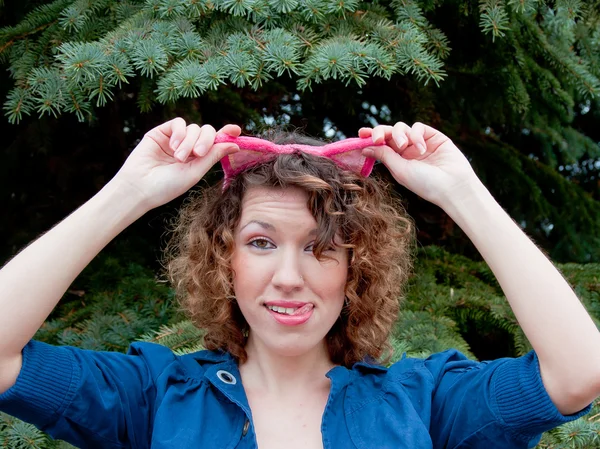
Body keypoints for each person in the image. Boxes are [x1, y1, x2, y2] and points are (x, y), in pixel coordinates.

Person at [0, 117, 598, 449]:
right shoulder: (152, 397)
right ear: (223, 259)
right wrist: (130, 193)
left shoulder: (425, 403)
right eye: (261, 243)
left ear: (354, 268)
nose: (289, 277)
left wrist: (459, 192)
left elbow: (578, 374)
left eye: (321, 248)